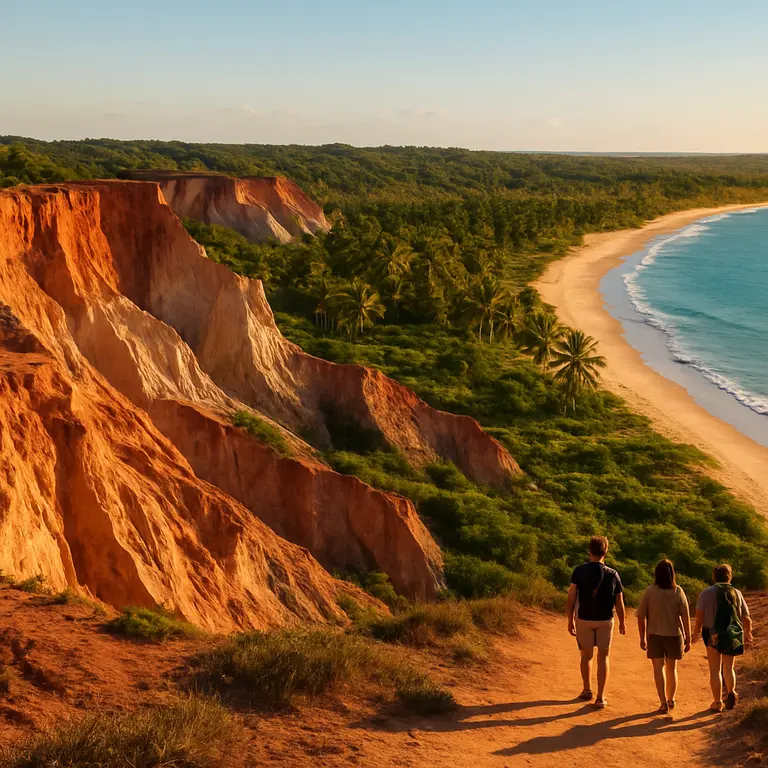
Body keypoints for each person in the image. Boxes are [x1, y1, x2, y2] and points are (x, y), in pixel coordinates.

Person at [567, 536, 626, 708]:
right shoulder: (613, 574)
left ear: (589, 550)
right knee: (603, 657)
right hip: (605, 620)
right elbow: (619, 602)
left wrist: (570, 619)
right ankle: (600, 697)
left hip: (584, 618)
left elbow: (571, 598)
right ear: (605, 551)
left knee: (586, 656)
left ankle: (586, 690)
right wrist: (622, 622)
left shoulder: (579, 571)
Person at [693, 563, 753, 712]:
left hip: (712, 632)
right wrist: (748, 632)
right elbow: (746, 617)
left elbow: (699, 616)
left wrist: (695, 633)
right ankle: (731, 691)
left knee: (714, 669)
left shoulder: (706, 593)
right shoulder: (736, 593)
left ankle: (717, 702)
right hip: (732, 633)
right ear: (729, 576)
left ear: (714, 576)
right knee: (728, 667)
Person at [637, 559, 691, 714]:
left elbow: (641, 616)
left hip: (654, 635)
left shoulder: (650, 591)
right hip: (674, 635)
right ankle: (671, 699)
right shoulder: (678, 591)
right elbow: (685, 616)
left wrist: (642, 637)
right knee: (671, 668)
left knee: (658, 669)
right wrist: (688, 637)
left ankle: (662, 702)